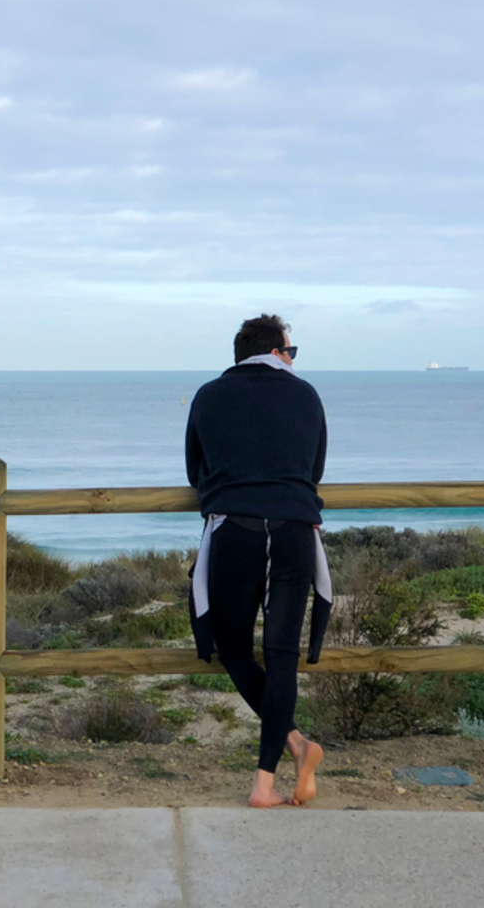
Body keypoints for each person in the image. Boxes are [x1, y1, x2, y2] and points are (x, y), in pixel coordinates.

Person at [184, 313, 334, 808]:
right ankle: (271, 774)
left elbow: (194, 470)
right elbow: (314, 469)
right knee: (282, 654)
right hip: (293, 531)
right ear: (276, 353)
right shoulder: (307, 395)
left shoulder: (208, 396)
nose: (293, 360)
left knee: (233, 649)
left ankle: (292, 753)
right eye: (291, 352)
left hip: (235, 530)